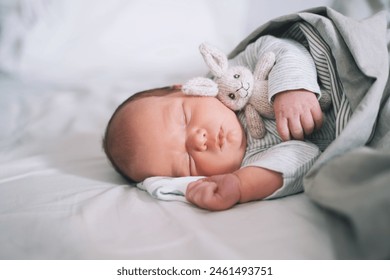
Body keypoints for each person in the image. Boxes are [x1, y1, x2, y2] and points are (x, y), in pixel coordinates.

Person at [103, 35, 335, 211]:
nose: (198, 140)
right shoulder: (248, 164)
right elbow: (302, 158)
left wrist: (292, 87)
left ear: (184, 88)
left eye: (185, 119)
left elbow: (278, 47)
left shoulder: (230, 75)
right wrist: (241, 185)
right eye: (188, 161)